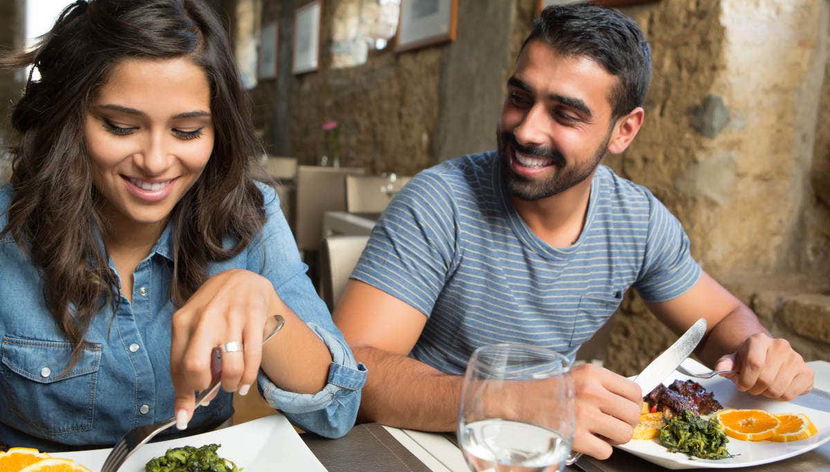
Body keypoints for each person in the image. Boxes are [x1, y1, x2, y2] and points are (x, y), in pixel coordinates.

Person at [333, 3, 814, 460]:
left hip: (546, 449)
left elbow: (723, 318)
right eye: (519, 98)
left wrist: (757, 349)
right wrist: (516, 401)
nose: (526, 130)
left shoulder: (638, 220)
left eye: (565, 114)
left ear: (624, 131)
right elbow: (350, 371)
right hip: (421, 446)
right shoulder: (439, 202)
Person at [0, 0, 365, 451]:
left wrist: (265, 304)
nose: (155, 162)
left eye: (187, 131)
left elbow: (337, 411)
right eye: (120, 126)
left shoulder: (250, 216)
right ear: (69, 119)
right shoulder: (8, 235)